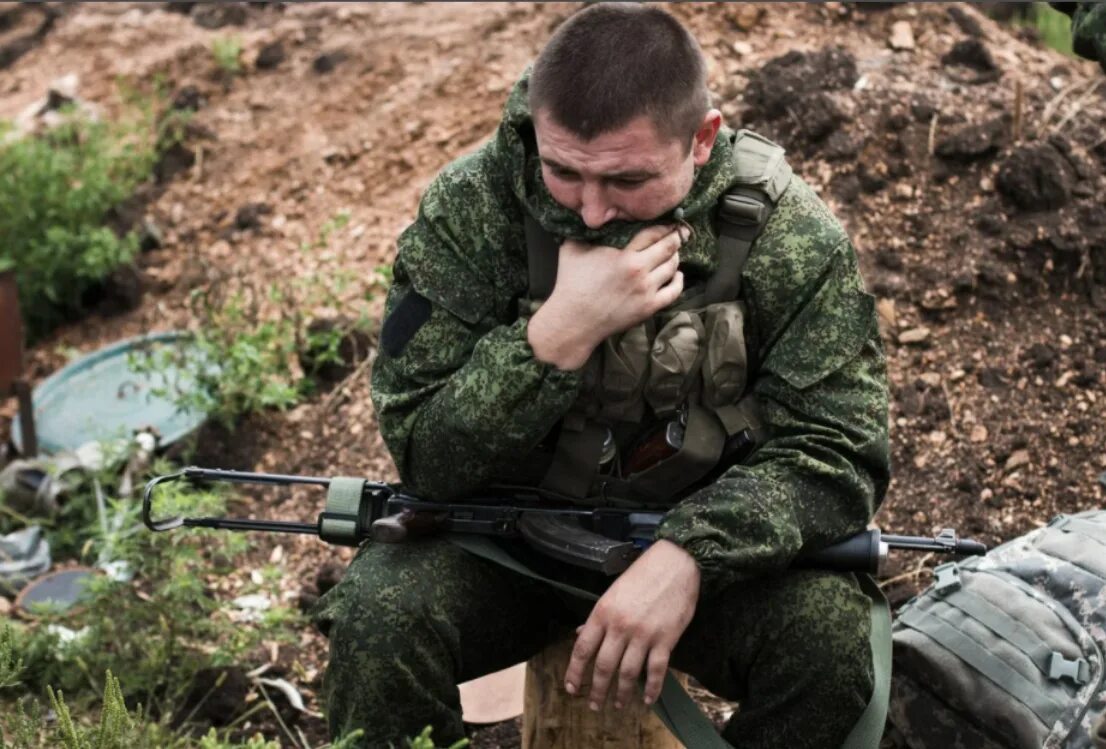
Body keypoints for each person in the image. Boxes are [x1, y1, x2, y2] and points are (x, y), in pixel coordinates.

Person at [313, 4, 890, 748]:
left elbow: (840, 453)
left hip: (705, 566)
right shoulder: (471, 207)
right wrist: (557, 334)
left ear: (702, 140)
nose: (589, 210)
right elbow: (428, 454)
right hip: (505, 548)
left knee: (832, 652)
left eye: (626, 179)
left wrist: (688, 556)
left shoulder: (785, 231)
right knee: (377, 618)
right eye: (562, 172)